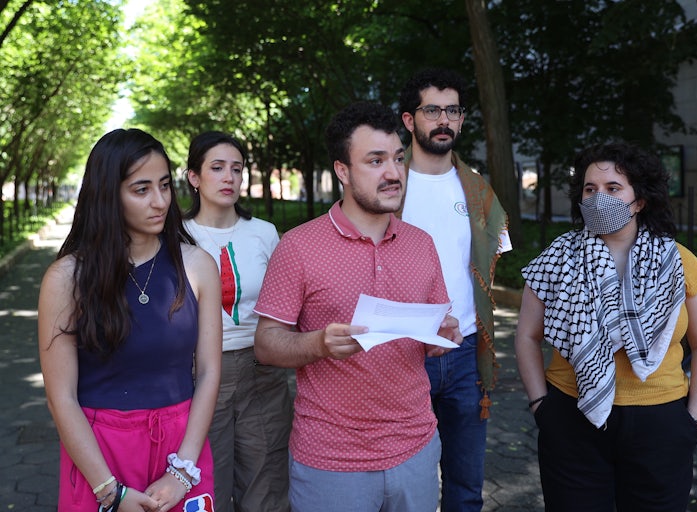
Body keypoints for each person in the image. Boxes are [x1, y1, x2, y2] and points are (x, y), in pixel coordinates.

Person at [253, 101, 463, 512]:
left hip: (416, 449)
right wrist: (318, 344)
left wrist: (443, 335)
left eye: (398, 158)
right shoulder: (298, 246)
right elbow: (265, 345)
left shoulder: (421, 243)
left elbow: (435, 334)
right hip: (330, 460)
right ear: (343, 171)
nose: (394, 173)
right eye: (375, 161)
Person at [515, 141, 697, 512]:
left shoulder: (679, 263)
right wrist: (540, 405)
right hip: (571, 418)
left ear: (639, 200)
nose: (599, 198)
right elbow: (527, 336)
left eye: (613, 188)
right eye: (590, 189)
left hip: (660, 423)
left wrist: (695, 421)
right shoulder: (556, 259)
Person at [38, 128, 222, 512]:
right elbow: (61, 398)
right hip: (99, 455)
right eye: (141, 189)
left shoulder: (198, 265)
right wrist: (110, 490)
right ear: (108, 195)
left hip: (181, 449)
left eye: (165, 185)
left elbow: (208, 372)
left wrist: (182, 472)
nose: (160, 201)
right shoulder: (66, 278)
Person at [398, 68, 511, 511]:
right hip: (404, 351)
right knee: (406, 484)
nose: (444, 119)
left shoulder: (479, 191)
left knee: (466, 489)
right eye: (432, 110)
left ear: (462, 119)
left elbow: (488, 267)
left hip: (465, 353)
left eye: (453, 110)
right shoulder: (388, 186)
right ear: (410, 120)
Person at [184, 131, 292, 512]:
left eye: (237, 169)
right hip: (198, 375)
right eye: (217, 168)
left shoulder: (264, 233)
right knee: (207, 484)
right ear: (194, 177)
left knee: (267, 486)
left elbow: (285, 304)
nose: (229, 177)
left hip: (263, 372)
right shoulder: (176, 236)